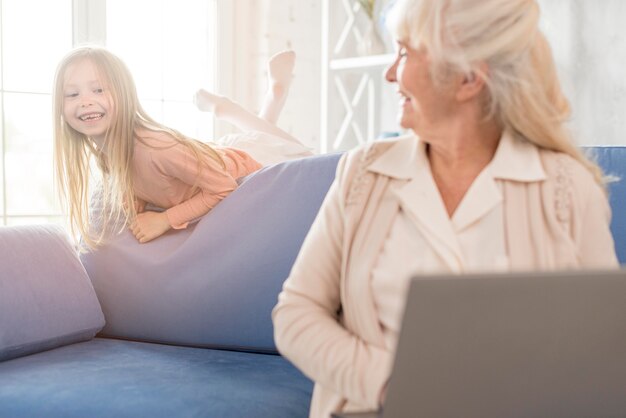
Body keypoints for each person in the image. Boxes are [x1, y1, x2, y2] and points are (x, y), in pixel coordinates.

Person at [272, 0, 619, 416]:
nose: (389, 73)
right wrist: (392, 385)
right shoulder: (362, 173)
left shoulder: (567, 189)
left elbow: (604, 350)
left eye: (403, 53)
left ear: (468, 79)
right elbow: (295, 314)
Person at [53, 46, 312, 249]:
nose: (85, 101)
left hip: (251, 164)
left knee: (305, 154)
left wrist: (164, 220)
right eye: (72, 94)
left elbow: (224, 187)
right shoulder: (108, 153)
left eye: (98, 90)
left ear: (125, 95)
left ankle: (235, 106)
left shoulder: (155, 148)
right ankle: (265, 101)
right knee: (260, 134)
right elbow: (145, 181)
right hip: (211, 157)